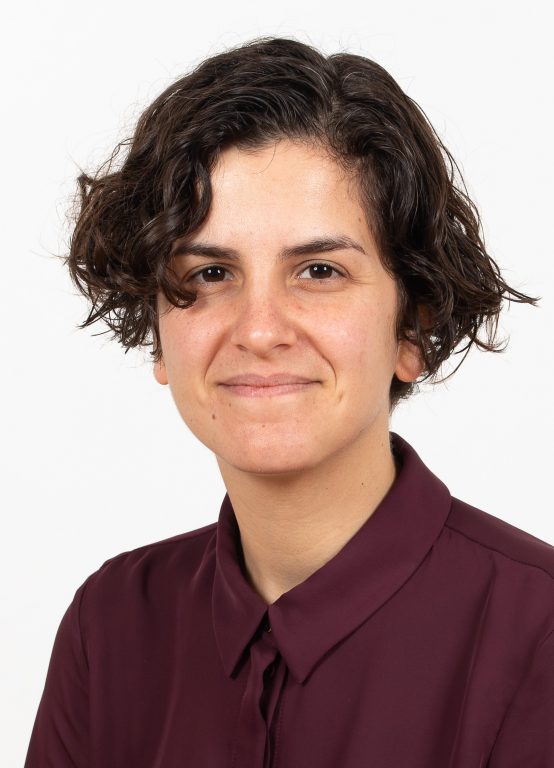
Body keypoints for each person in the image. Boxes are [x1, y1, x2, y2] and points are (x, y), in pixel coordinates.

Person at [25, 36, 553, 767]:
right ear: (158, 335)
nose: (260, 329)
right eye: (210, 273)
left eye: (319, 270)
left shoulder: (538, 635)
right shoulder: (110, 625)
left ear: (412, 327)